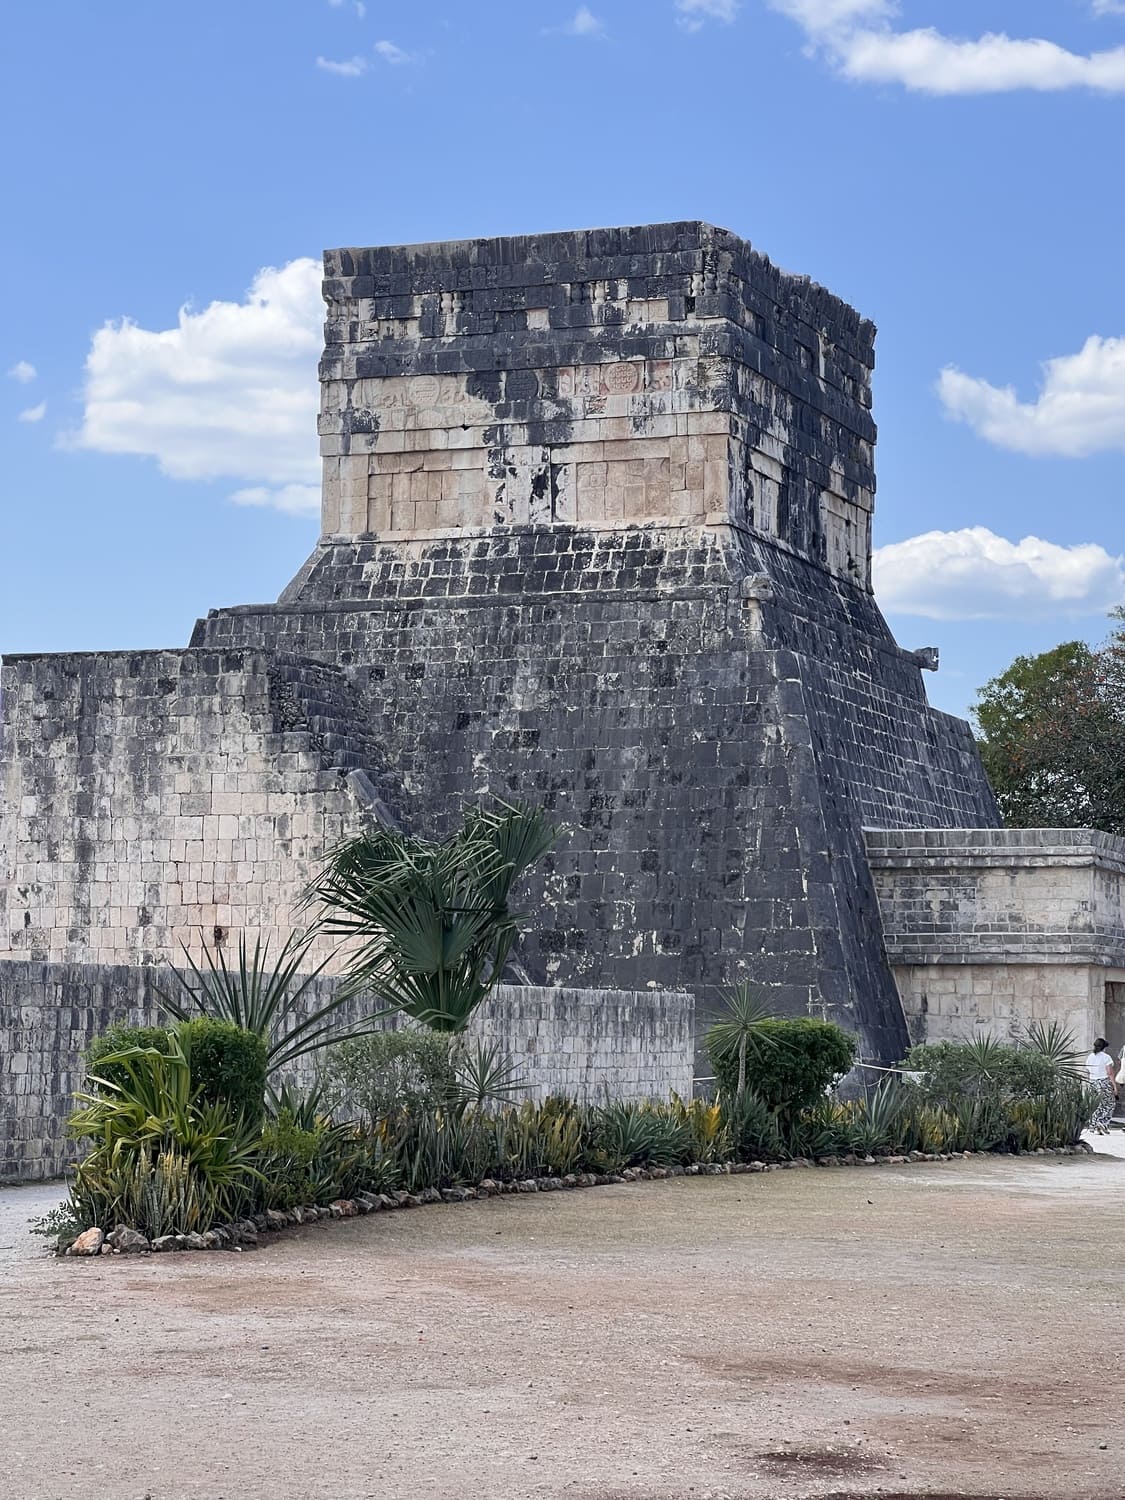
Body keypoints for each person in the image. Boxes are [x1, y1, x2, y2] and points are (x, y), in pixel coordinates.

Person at [1085, 1038, 1117, 1134]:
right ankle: (1102, 1122)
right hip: (1103, 1081)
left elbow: (1087, 1069)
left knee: (1096, 1103)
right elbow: (1110, 1072)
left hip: (1092, 1081)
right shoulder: (1106, 1057)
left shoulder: (1090, 1057)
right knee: (1110, 1103)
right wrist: (1114, 1086)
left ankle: (1093, 1124)